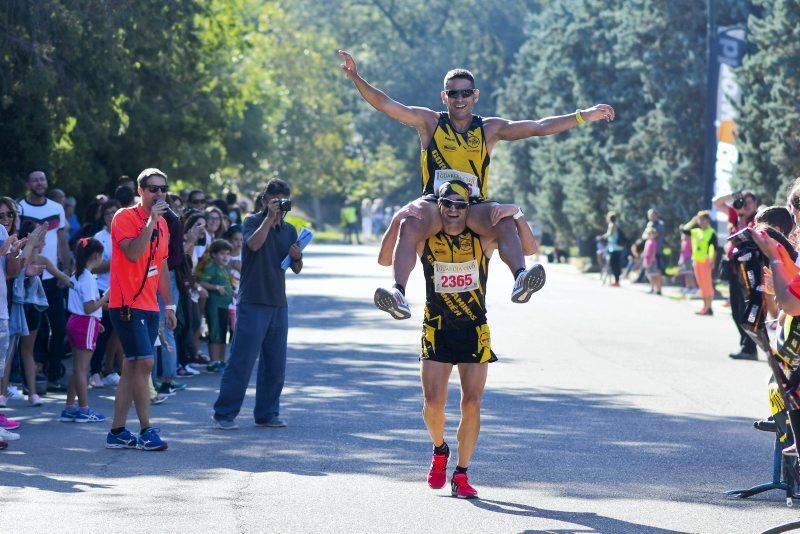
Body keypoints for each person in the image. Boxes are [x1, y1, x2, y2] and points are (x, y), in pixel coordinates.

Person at [338, 50, 614, 316]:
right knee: (410, 221)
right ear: (444, 97)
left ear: (475, 95)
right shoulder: (430, 122)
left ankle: (520, 278)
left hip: (474, 205)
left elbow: (538, 127)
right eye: (454, 93)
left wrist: (584, 115)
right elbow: (386, 104)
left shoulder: (488, 129)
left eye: (466, 93)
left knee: (502, 218)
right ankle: (398, 293)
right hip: (436, 203)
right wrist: (356, 77)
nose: (460, 99)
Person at [405, 180, 531, 499]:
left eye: (460, 205)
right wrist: (399, 219)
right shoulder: (426, 239)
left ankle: (461, 474)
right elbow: (384, 257)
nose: (452, 211)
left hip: (474, 328)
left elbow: (529, 248)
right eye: (446, 204)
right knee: (433, 404)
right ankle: (439, 449)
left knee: (471, 403)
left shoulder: (483, 239)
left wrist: (516, 214)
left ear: (468, 209)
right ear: (439, 206)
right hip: (436, 327)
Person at [212, 179, 303, 430]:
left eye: (283, 199)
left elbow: (295, 267)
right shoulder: (252, 221)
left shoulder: (289, 230)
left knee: (275, 363)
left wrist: (297, 257)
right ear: (265, 199)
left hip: (278, 302)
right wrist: (269, 218)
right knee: (242, 360)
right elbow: (253, 244)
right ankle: (224, 413)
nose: (279, 204)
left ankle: (267, 413)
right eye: (274, 199)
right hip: (253, 300)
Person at [105, 168, 176, 451]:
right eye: (153, 188)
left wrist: (169, 304)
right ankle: (146, 429)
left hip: (149, 304)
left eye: (163, 188)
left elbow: (164, 267)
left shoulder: (164, 226)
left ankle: (117, 432)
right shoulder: (124, 217)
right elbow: (133, 253)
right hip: (126, 304)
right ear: (140, 190)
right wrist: (152, 220)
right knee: (145, 363)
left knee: (132, 367)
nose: (159, 193)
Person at [17, 171, 71, 387]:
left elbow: (62, 240)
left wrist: (65, 267)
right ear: (28, 184)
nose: (40, 183)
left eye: (43, 179)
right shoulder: (19, 207)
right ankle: (33, 371)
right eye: (35, 179)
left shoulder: (56, 208)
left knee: (59, 327)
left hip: (52, 277)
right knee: (32, 330)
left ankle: (53, 374)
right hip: (28, 278)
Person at [60, 238, 108, 423]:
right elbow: (90, 307)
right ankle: (84, 409)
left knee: (76, 369)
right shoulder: (87, 277)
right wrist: (106, 298)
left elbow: (83, 306)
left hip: (75, 321)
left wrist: (96, 321)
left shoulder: (76, 274)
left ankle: (70, 407)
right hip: (84, 322)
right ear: (96, 256)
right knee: (82, 369)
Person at [714, 190, 759, 360]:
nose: (746, 206)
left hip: (750, 270)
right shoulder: (735, 215)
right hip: (734, 270)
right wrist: (732, 196)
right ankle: (746, 344)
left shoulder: (757, 220)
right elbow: (716, 203)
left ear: (754, 204)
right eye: (743, 202)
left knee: (747, 311)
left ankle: (750, 348)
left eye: (748, 203)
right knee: (736, 311)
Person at [196, 239, 234, 373]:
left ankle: (221, 361)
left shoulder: (224, 269)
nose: (226, 257)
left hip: (225, 306)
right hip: (215, 306)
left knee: (223, 334)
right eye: (222, 254)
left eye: (228, 254)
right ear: (213, 254)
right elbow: (201, 283)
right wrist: (216, 287)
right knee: (215, 333)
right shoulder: (211, 267)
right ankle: (214, 361)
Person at [682, 211, 717, 316]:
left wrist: (713, 261)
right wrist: (693, 221)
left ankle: (709, 307)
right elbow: (684, 230)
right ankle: (705, 306)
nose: (701, 222)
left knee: (707, 285)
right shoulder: (696, 231)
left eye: (703, 219)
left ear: (708, 220)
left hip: (706, 262)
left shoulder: (711, 232)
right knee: (701, 285)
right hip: (696, 261)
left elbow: (714, 249)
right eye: (700, 220)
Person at [601, 211, 625, 287]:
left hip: (614, 248)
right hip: (616, 248)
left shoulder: (611, 225)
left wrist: (602, 237)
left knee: (613, 264)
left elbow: (609, 234)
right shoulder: (616, 225)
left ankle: (617, 281)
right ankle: (616, 280)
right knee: (615, 264)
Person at [642, 226, 663, 295]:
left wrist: (650, 261)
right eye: (648, 233)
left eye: (651, 233)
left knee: (655, 275)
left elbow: (653, 253)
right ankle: (652, 288)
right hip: (647, 261)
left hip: (652, 261)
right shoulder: (647, 242)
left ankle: (657, 289)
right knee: (650, 275)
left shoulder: (653, 242)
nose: (649, 235)